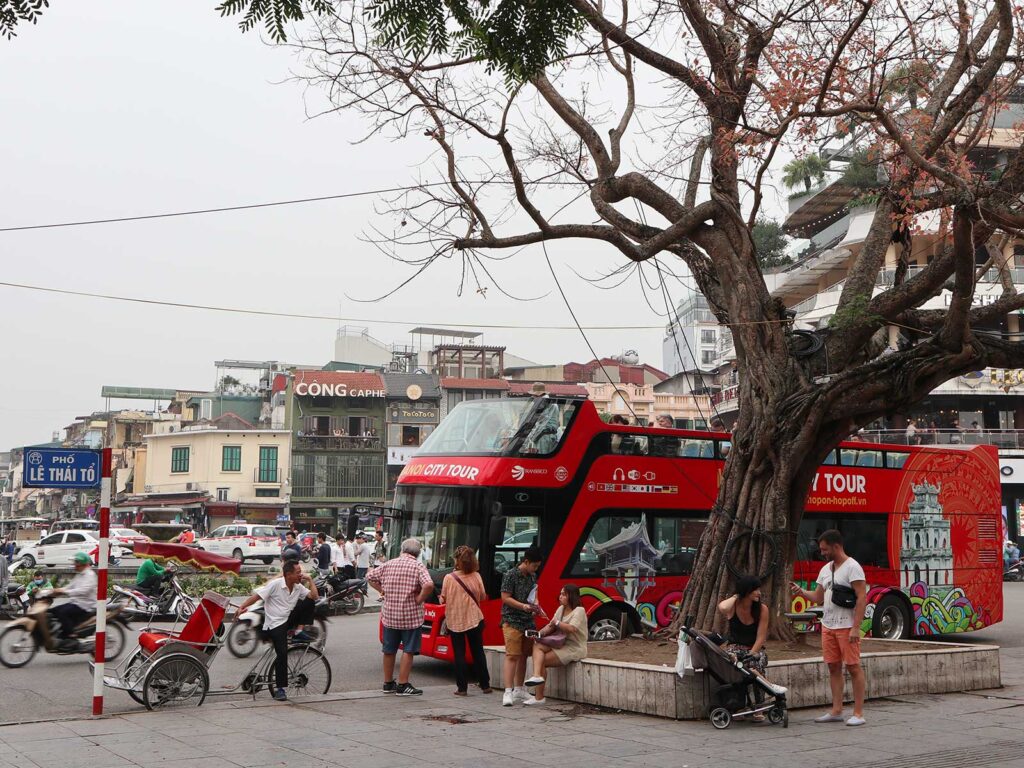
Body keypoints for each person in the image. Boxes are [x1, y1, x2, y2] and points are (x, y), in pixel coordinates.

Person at [791, 529, 867, 726]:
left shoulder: (853, 567)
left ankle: (858, 713)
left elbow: (861, 598)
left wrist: (856, 628)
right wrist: (801, 592)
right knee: (833, 666)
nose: (822, 553)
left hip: (847, 625)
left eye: (825, 549)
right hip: (828, 624)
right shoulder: (825, 569)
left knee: (853, 667)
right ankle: (836, 710)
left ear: (836, 546)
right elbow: (818, 597)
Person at [236, 559, 319, 702]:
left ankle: (297, 631)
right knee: (282, 654)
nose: (301, 575)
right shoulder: (275, 585)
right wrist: (242, 607)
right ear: (288, 574)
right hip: (274, 625)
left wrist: (310, 580)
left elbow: (314, 596)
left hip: (287, 621)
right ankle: (281, 689)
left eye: (301, 573)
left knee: (310, 602)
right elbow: (257, 596)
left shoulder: (298, 587)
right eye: (298, 573)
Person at [367, 537, 434, 696]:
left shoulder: (389, 564)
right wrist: (420, 598)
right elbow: (429, 585)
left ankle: (388, 683)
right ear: (418, 553)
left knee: (389, 650)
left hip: (390, 615)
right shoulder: (418, 566)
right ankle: (403, 685)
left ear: (402, 550)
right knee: (408, 650)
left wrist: (381, 590)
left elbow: (370, 577)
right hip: (411, 616)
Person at [718, 575, 787, 720]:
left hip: (754, 648)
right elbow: (723, 607)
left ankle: (759, 708)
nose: (759, 593)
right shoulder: (733, 607)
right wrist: (737, 595)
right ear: (746, 591)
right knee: (737, 663)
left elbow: (761, 637)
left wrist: (751, 653)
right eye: (755, 590)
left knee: (755, 662)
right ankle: (745, 701)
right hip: (734, 648)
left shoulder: (762, 609)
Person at [524, 583, 588, 706]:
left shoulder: (579, 610)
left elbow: (572, 628)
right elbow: (550, 626)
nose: (560, 596)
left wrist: (557, 622)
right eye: (560, 594)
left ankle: (539, 697)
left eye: (564, 594)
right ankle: (537, 676)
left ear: (572, 596)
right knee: (537, 645)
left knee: (541, 661)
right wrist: (538, 634)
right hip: (560, 643)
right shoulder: (561, 609)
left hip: (574, 647)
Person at [439, 546, 491, 696]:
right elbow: (482, 596)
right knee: (478, 652)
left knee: (459, 654)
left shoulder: (449, 578)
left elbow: (443, 598)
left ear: (457, 561)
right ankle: (485, 684)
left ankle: (462, 688)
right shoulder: (477, 576)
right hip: (475, 619)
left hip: (455, 621)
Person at [500, 546, 544, 707]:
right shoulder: (510, 575)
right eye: (534, 565)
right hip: (511, 619)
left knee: (524, 654)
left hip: (528, 621)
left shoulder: (533, 576)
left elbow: (535, 594)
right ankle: (508, 691)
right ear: (526, 562)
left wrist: (536, 606)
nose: (536, 569)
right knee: (512, 655)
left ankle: (519, 688)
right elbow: (505, 597)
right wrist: (522, 606)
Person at [50, 552, 98, 641]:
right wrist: (56, 591)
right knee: (53, 610)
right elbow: (70, 586)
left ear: (82, 563)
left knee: (62, 613)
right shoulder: (79, 574)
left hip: (85, 605)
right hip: (76, 602)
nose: (74, 565)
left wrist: (65, 591)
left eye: (76, 563)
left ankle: (70, 634)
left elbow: (83, 591)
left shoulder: (90, 575)